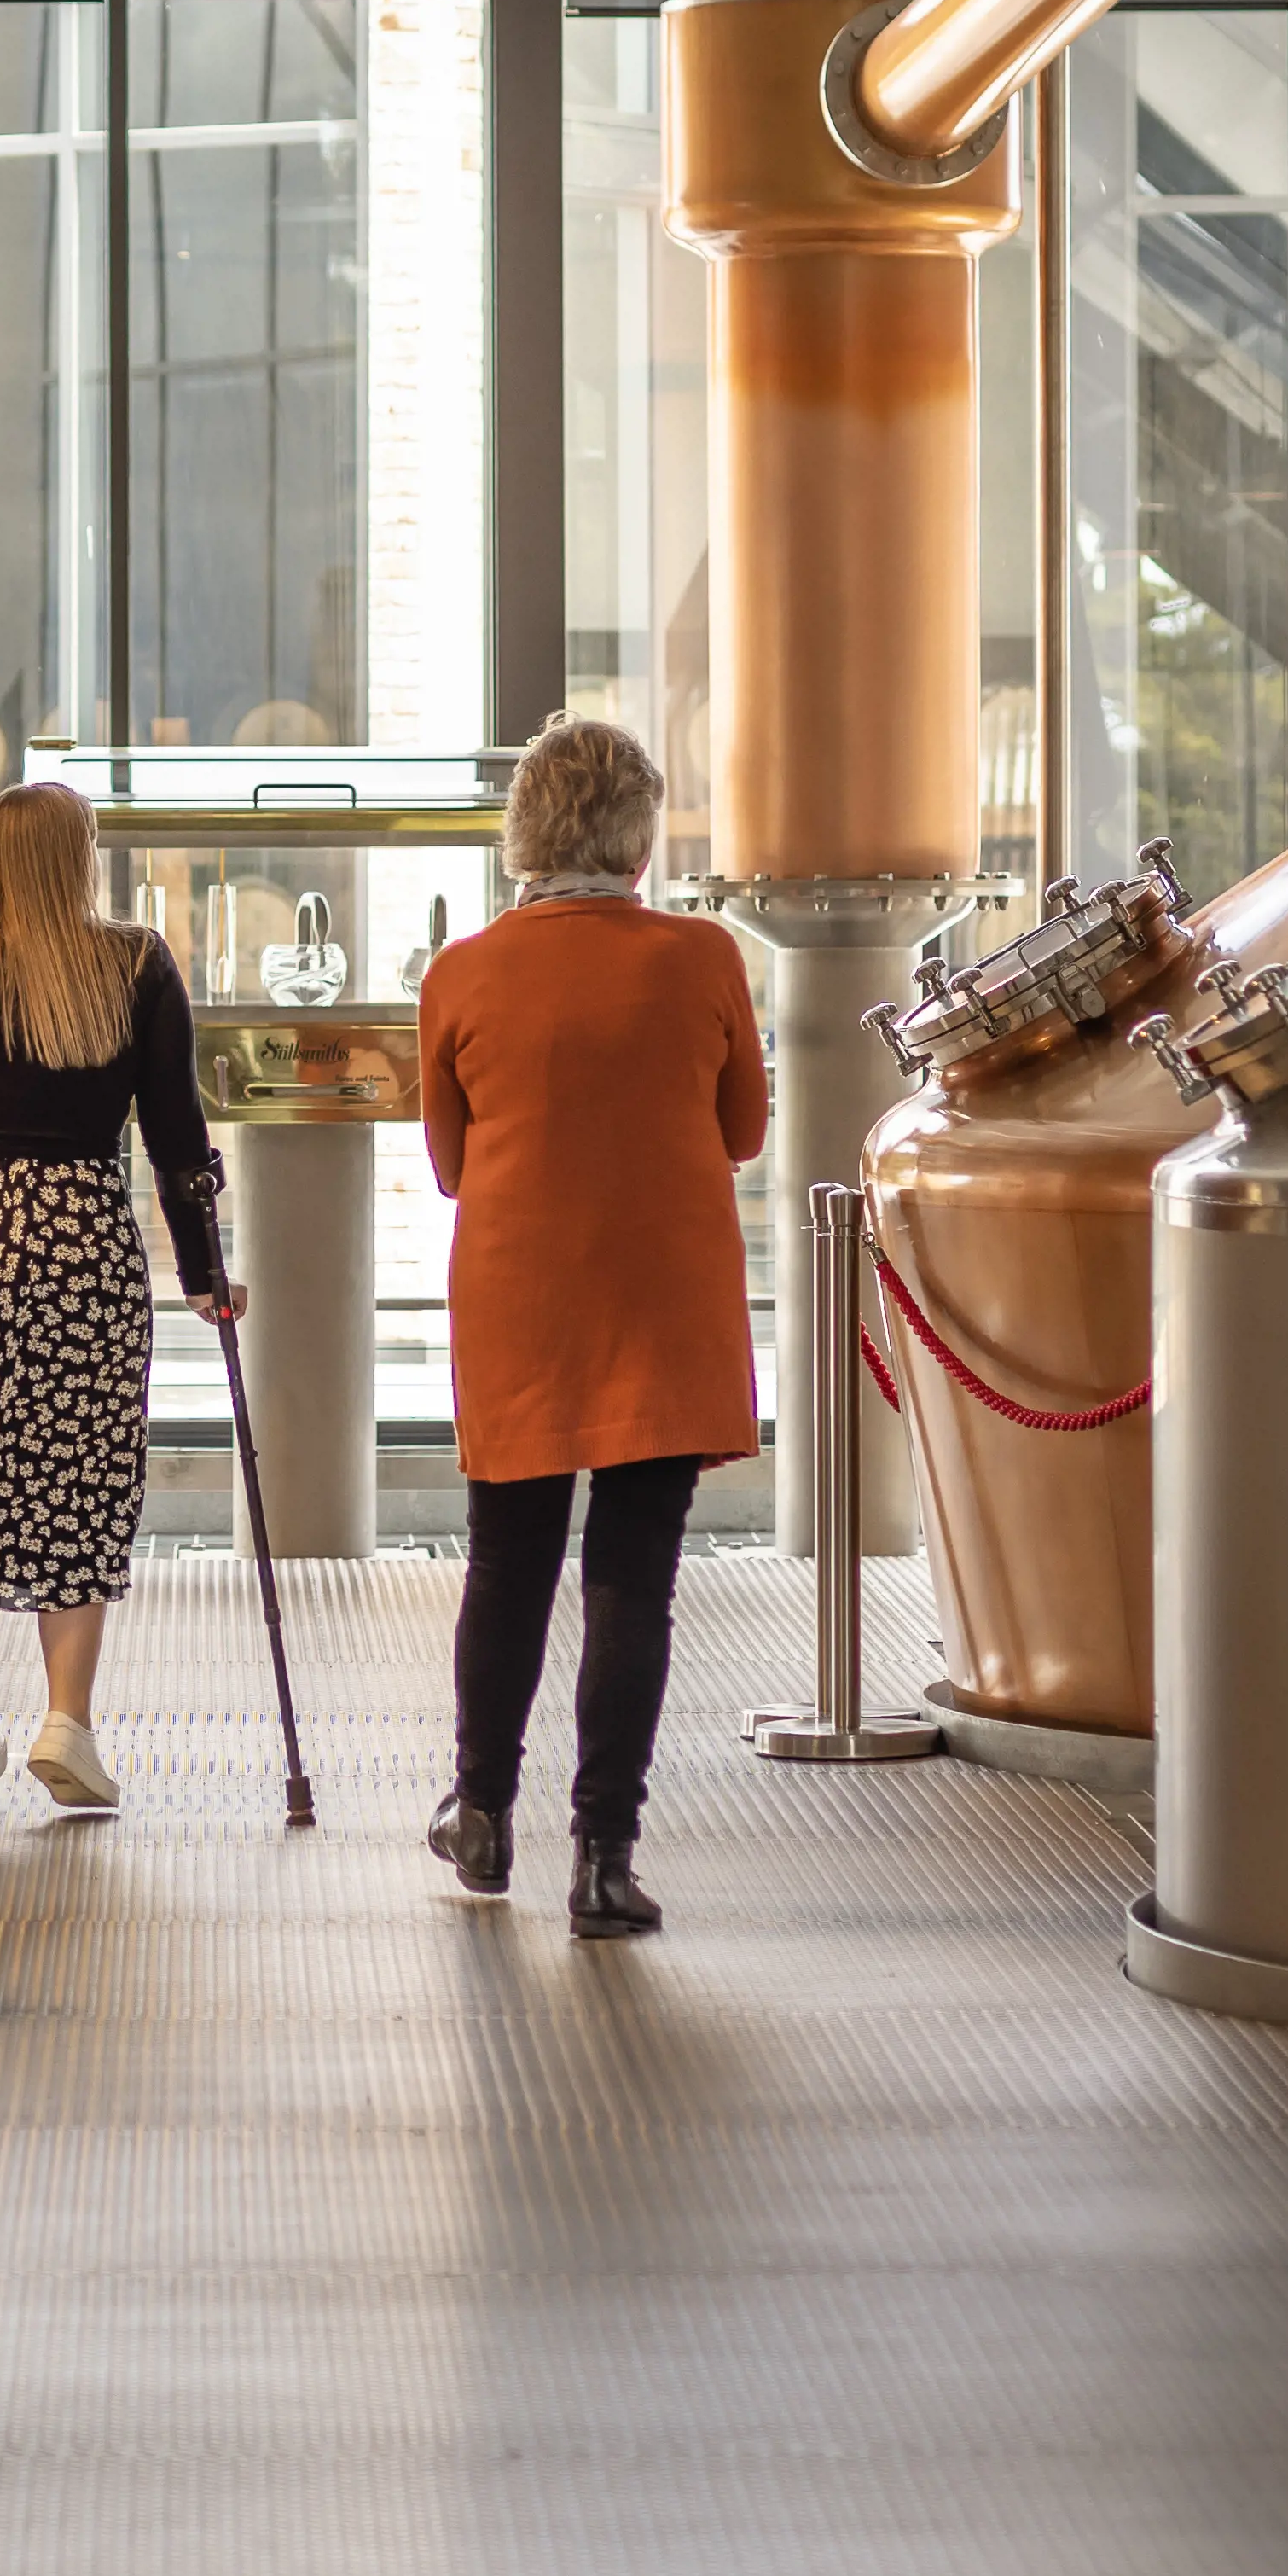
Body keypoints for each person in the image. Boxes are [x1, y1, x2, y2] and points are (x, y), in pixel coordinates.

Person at [415, 714, 768, 1938]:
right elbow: (743, 1133)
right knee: (635, 1578)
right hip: (663, 1295)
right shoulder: (702, 957)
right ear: (637, 833)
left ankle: (481, 1813)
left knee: (507, 1563)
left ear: (525, 827)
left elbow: (453, 1164)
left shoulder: (461, 971)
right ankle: (604, 1861)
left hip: (519, 1295)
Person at [0, 776, 233, 1817]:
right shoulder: (137, 962)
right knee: (77, 1476)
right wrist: (202, 1272)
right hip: (84, 1247)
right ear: (84, 855)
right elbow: (176, 1141)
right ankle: (67, 1723)